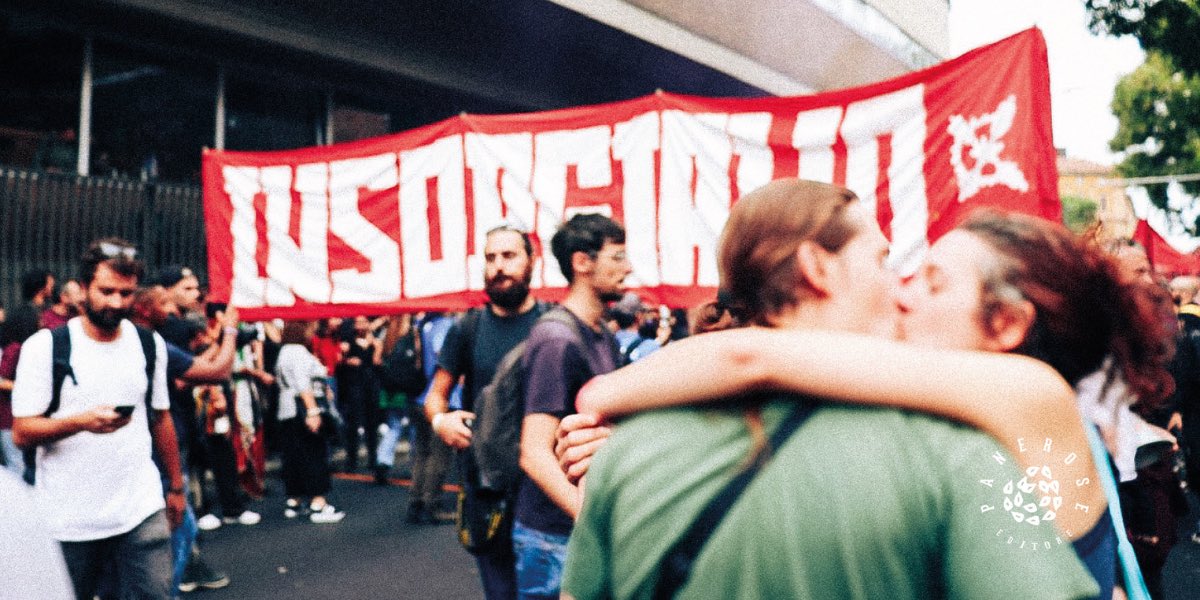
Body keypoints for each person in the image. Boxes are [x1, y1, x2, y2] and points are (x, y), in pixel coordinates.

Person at [558, 180, 1113, 600]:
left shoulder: (1030, 399)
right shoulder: (950, 437)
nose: (899, 289)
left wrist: (614, 411)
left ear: (1007, 326)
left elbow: (754, 356)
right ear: (817, 269)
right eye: (891, 264)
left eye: (931, 281)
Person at [11, 237, 185, 600]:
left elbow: (160, 417)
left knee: (155, 595)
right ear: (84, 287)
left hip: (141, 509)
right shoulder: (45, 348)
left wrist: (176, 486)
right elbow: (23, 432)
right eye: (106, 291)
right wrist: (82, 421)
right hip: (70, 519)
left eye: (126, 293)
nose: (117, 302)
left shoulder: (148, 344)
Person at [427, 224, 545, 599]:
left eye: (509, 256)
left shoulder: (553, 326)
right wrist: (440, 420)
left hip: (544, 487)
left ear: (531, 262)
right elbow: (436, 395)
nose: (498, 266)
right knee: (501, 591)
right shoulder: (468, 327)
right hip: (487, 487)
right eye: (491, 257)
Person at [515, 213, 630, 600]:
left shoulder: (600, 334)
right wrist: (585, 514)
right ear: (583, 262)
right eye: (616, 257)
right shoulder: (556, 339)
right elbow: (533, 452)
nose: (627, 268)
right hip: (553, 538)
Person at [274, 320, 345, 523]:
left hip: (286, 409)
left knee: (293, 458)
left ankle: (295, 500)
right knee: (314, 454)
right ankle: (318, 503)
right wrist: (313, 410)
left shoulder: (284, 351)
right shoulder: (298, 352)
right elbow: (302, 382)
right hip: (303, 409)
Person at [335, 315, 383, 472]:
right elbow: (339, 361)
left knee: (371, 422)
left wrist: (376, 348)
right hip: (354, 384)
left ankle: (372, 457)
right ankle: (352, 459)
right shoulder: (348, 341)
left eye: (363, 322)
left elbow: (377, 363)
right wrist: (346, 359)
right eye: (358, 323)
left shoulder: (375, 341)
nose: (361, 326)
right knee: (353, 422)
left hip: (371, 383)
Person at [0, 305, 41, 477]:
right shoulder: (15, 349)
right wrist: (26, 387)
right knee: (17, 469)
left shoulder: (31, 348)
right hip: (9, 418)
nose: (42, 323)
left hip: (24, 417)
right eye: (38, 320)